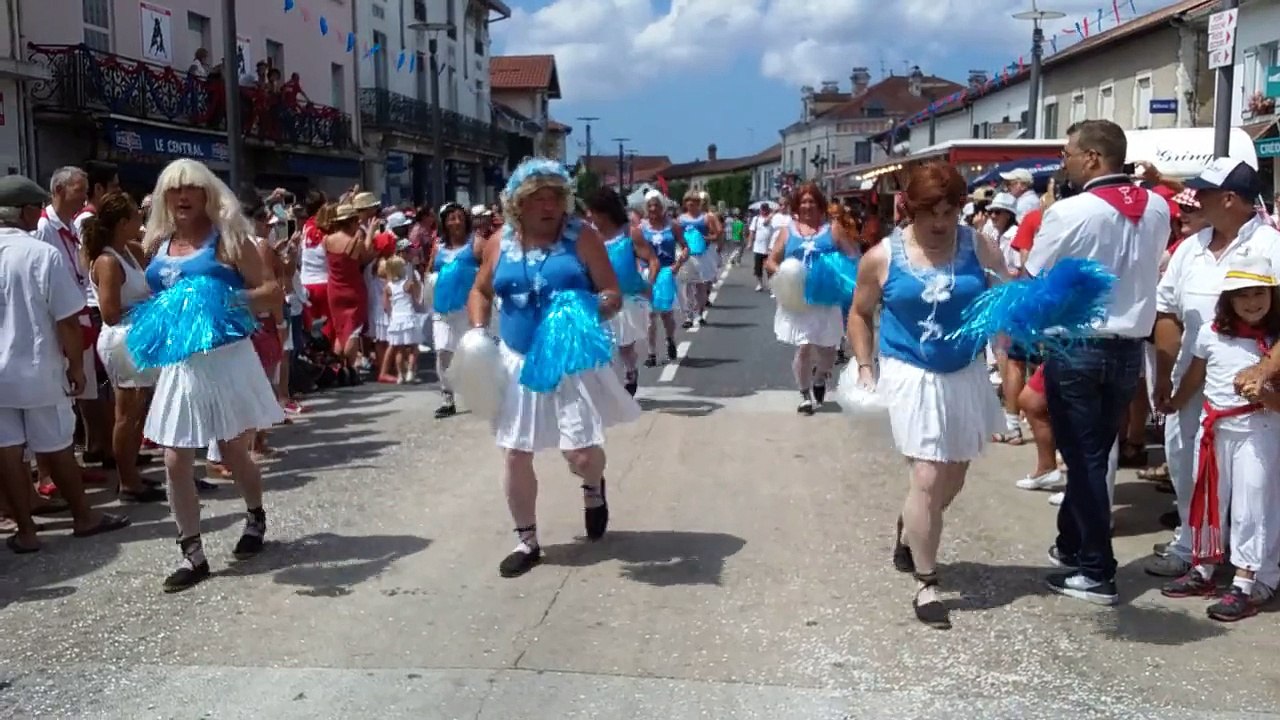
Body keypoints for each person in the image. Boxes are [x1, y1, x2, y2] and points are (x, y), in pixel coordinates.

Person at [848, 162, 1009, 629]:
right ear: (910, 210)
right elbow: (859, 314)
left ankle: (911, 525)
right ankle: (926, 581)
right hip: (910, 369)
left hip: (965, 369)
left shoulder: (979, 246)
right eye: (929, 213)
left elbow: (1005, 298)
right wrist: (865, 365)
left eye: (949, 212)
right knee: (927, 473)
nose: (940, 222)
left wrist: (1006, 347)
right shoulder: (881, 257)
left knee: (952, 478)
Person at [467, 158, 641, 578]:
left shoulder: (582, 237)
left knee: (580, 454)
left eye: (555, 198)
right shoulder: (499, 243)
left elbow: (611, 292)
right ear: (518, 203)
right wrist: (477, 332)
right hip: (517, 360)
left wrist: (587, 310)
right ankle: (526, 540)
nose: (548, 207)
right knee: (515, 453)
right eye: (538, 199)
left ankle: (593, 487)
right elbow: (480, 290)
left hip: (568, 360)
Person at [1028, 120, 1168, 606]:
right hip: (1127, 347)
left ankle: (1096, 570)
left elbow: (1035, 273)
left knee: (1085, 459)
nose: (1063, 161)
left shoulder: (1070, 211)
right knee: (1093, 452)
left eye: (1068, 152)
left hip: (1078, 345)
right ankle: (1072, 543)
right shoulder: (1157, 206)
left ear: (1091, 157)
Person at [141, 158, 284, 592]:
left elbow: (271, 293)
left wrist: (223, 300)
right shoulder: (158, 243)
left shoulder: (230, 240)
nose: (182, 196)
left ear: (207, 194)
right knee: (174, 458)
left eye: (191, 188)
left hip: (226, 357)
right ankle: (192, 552)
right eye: (174, 189)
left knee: (232, 450)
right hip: (181, 363)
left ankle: (255, 516)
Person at [1150, 159, 1280, 578]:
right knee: (1188, 464)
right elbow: (1167, 311)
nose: (1194, 199)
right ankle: (1195, 548)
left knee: (1253, 484)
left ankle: (1254, 571)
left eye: (1203, 192)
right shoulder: (1191, 247)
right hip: (1192, 381)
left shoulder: (1272, 246)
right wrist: (1165, 374)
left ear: (1229, 199)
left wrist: (1264, 371)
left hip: (1252, 394)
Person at [0, 175, 131, 553]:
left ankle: (27, 532)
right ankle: (83, 517)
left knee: (7, 450)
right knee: (56, 444)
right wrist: (76, 366)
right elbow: (68, 320)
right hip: (37, 367)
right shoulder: (41, 254)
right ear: (26, 212)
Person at [1161, 255, 1280, 621]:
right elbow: (1195, 376)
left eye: (1259, 293)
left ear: (1272, 296)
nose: (1252, 302)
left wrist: (1264, 395)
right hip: (1213, 430)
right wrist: (1172, 402)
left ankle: (1247, 582)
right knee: (1208, 498)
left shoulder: (1274, 345)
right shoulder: (1211, 332)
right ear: (1228, 299)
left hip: (1257, 433)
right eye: (1242, 294)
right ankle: (1204, 567)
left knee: (1251, 507)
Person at [83, 191, 164, 503]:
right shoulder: (107, 261)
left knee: (137, 410)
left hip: (137, 337)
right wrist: (152, 308)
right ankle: (128, 481)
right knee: (126, 414)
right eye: (135, 218)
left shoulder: (128, 251)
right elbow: (110, 313)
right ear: (121, 223)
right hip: (122, 340)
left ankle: (132, 473)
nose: (140, 223)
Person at [765, 183, 854, 415]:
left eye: (812, 201)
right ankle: (804, 395)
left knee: (828, 350)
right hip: (799, 298)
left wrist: (842, 273)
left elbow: (853, 255)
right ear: (797, 206)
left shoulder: (833, 229)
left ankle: (820, 377)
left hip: (827, 298)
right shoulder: (787, 231)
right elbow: (771, 261)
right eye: (803, 202)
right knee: (804, 346)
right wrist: (784, 272)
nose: (807, 206)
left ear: (820, 205)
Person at [589, 187, 658, 396]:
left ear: (605, 213)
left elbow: (652, 260)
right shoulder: (590, 236)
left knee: (625, 345)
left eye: (593, 212)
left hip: (627, 299)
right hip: (599, 297)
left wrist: (650, 283)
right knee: (602, 345)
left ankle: (630, 371)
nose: (590, 216)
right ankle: (609, 388)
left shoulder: (630, 233)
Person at [428, 203, 483, 419]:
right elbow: (430, 271)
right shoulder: (438, 247)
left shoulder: (476, 243)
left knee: (473, 351)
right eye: (452, 218)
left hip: (467, 308)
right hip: (442, 309)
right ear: (444, 223)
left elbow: (489, 268)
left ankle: (480, 394)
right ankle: (447, 398)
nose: (457, 222)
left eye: (460, 217)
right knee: (443, 352)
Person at [639, 191, 688, 366]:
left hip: (667, 273)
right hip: (648, 273)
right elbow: (634, 250)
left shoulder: (672, 225)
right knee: (650, 315)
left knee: (667, 314)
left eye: (656, 205)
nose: (653, 208)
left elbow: (685, 247)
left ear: (662, 206)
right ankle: (651, 353)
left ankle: (670, 339)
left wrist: (679, 263)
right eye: (650, 205)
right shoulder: (641, 228)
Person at [379, 251, 425, 384]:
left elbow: (385, 306)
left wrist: (391, 313)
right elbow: (416, 300)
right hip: (408, 316)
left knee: (399, 348)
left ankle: (400, 375)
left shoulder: (388, 287)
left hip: (396, 319)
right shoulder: (408, 284)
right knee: (414, 347)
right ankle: (410, 371)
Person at [749, 203, 776, 292]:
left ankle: (770, 285)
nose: (764, 211)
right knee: (758, 268)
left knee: (769, 268)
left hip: (769, 247)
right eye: (762, 209)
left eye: (765, 209)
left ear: (768, 209)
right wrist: (750, 243)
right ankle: (760, 284)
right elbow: (752, 231)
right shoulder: (756, 219)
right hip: (758, 247)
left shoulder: (773, 219)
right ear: (760, 210)